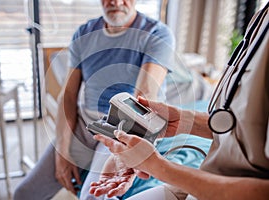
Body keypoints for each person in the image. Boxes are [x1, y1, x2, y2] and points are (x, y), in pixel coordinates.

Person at [90, 3, 269, 200]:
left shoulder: (156, 32)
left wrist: (156, 166)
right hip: (212, 177)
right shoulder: (262, 17)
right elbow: (249, 128)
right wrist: (187, 120)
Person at [14, 0, 176, 199]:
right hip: (86, 123)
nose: (115, 2)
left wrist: (124, 149)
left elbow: (145, 94)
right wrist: (62, 152)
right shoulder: (84, 33)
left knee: (93, 195)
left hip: (124, 125)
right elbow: (68, 95)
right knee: (24, 194)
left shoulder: (156, 33)